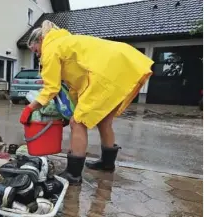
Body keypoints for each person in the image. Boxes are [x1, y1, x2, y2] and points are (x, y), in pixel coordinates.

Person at [20, 20, 153, 185]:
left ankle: (73, 174)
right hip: (122, 67)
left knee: (78, 122)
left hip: (106, 74)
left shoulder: (51, 48)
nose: (38, 55)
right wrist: (69, 112)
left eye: (35, 50)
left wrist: (30, 108)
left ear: (40, 40)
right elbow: (76, 85)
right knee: (104, 121)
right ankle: (107, 164)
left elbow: (51, 88)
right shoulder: (64, 42)